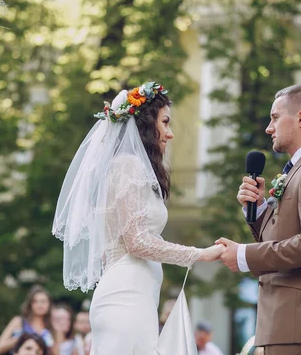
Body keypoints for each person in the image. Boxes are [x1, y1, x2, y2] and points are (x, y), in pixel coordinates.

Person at [52, 82, 225, 354]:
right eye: (165, 122)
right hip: (125, 298)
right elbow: (136, 241)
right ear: (145, 124)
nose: (169, 133)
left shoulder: (135, 169)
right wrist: (199, 254)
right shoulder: (128, 165)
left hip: (138, 296)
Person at [217, 84, 301, 355]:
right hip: (289, 324)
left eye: (275, 117)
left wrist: (245, 255)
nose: (269, 128)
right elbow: (285, 236)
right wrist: (257, 210)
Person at [0, 285, 57, 354]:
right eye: (35, 301)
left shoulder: (53, 326)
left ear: (49, 304)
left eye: (43, 301)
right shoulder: (19, 321)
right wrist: (20, 340)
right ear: (30, 304)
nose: (40, 305)